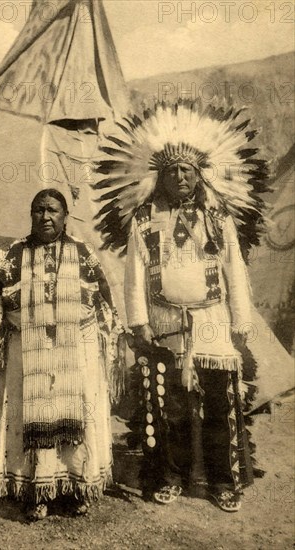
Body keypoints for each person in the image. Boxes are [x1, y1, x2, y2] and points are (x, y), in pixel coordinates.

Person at [94, 99, 269, 512]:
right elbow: (134, 273)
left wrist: (240, 321)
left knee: (219, 404)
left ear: (198, 174)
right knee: (166, 406)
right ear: (161, 177)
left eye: (186, 170)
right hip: (163, 321)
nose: (179, 176)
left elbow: (234, 270)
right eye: (171, 171)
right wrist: (138, 322)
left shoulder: (218, 216)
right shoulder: (144, 218)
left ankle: (222, 480)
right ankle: (168, 475)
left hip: (212, 320)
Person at [0, 188, 124, 520]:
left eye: (53, 210)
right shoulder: (15, 254)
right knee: (32, 417)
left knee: (78, 416)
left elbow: (105, 306)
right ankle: (34, 490)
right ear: (31, 216)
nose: (46, 216)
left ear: (66, 216)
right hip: (27, 352)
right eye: (38, 210)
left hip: (76, 352)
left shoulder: (83, 254)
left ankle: (77, 487)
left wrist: (111, 345)